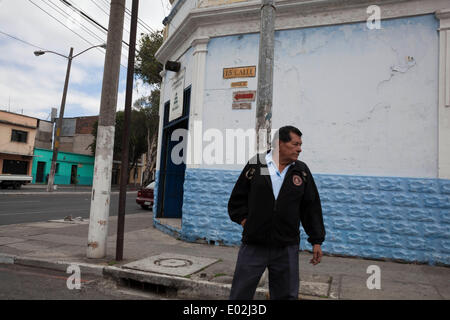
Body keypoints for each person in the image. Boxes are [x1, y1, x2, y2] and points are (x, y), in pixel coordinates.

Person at [228, 125, 326, 300]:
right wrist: (247, 222)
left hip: (286, 248)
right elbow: (237, 200)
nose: (299, 149)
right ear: (280, 144)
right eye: (295, 144)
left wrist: (316, 240)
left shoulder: (301, 171)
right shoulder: (257, 165)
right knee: (240, 294)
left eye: (300, 144)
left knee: (286, 295)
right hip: (254, 245)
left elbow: (311, 207)